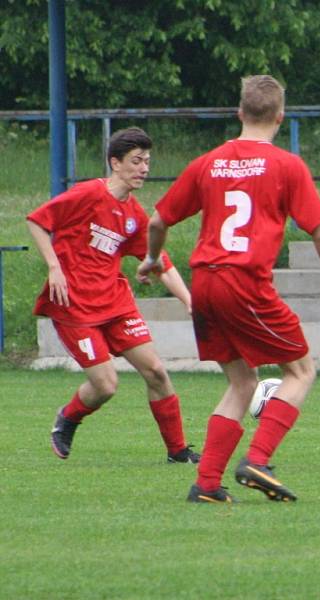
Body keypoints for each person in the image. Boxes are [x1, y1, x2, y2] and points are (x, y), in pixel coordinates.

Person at [138, 74, 320, 503]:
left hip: (205, 285)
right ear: (280, 116)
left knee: (242, 382)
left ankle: (206, 484)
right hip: (245, 282)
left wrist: (153, 258)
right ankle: (258, 459)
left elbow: (158, 221)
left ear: (239, 113)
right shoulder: (287, 166)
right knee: (301, 370)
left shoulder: (209, 162)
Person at [27, 127, 200, 464]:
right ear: (115, 163)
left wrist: (189, 301)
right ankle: (68, 418)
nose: (144, 169)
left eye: (147, 161)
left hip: (115, 304)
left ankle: (178, 452)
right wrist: (54, 267)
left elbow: (159, 262)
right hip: (74, 306)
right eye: (136, 161)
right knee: (106, 385)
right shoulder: (87, 193)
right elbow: (37, 222)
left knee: (156, 373)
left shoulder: (135, 216)